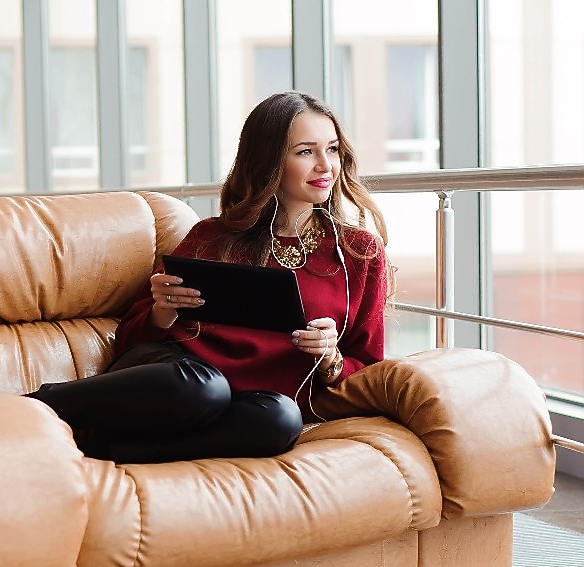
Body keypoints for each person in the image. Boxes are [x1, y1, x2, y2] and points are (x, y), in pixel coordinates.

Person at [28, 90, 391, 464]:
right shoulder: (211, 236)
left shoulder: (358, 252)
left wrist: (331, 358)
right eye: (305, 152)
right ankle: (33, 405)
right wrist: (162, 310)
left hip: (250, 402)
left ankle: (102, 451)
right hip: (176, 377)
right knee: (204, 388)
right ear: (268, 160)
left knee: (281, 420)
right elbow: (129, 341)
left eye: (332, 149)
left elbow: (368, 368)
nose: (325, 165)